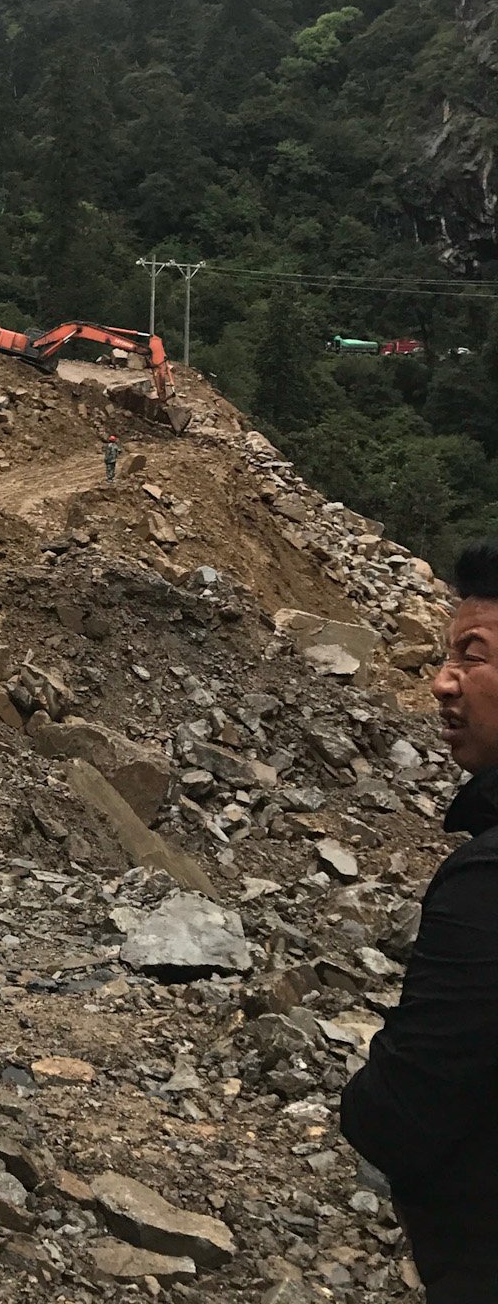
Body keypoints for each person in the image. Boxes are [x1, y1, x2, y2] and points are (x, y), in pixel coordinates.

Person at [341, 540, 498, 1302]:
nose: (441, 683)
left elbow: (410, 1108)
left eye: (473, 656)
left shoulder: (486, 883)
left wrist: (364, 1100)